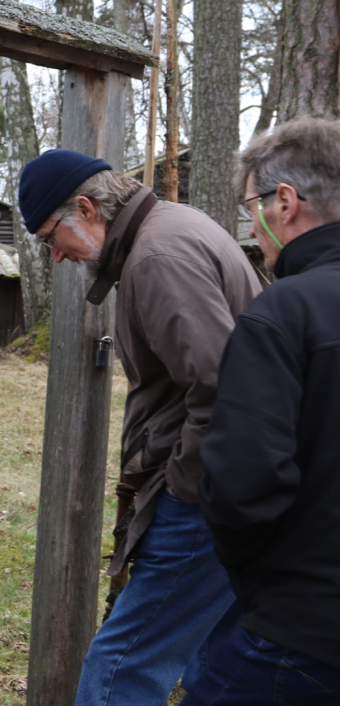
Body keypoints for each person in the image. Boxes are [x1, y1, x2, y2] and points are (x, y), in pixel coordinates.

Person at [17, 149, 260, 706]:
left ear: (87, 207)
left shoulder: (157, 257)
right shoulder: (174, 228)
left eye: (52, 235)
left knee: (122, 663)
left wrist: (181, 487)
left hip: (206, 493)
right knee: (222, 658)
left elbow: (224, 388)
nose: (54, 254)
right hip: (236, 481)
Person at [181, 118, 340, 704]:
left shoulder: (284, 313)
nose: (251, 227)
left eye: (252, 207)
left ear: (286, 202)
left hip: (300, 638)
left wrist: (261, 588)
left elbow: (243, 486)